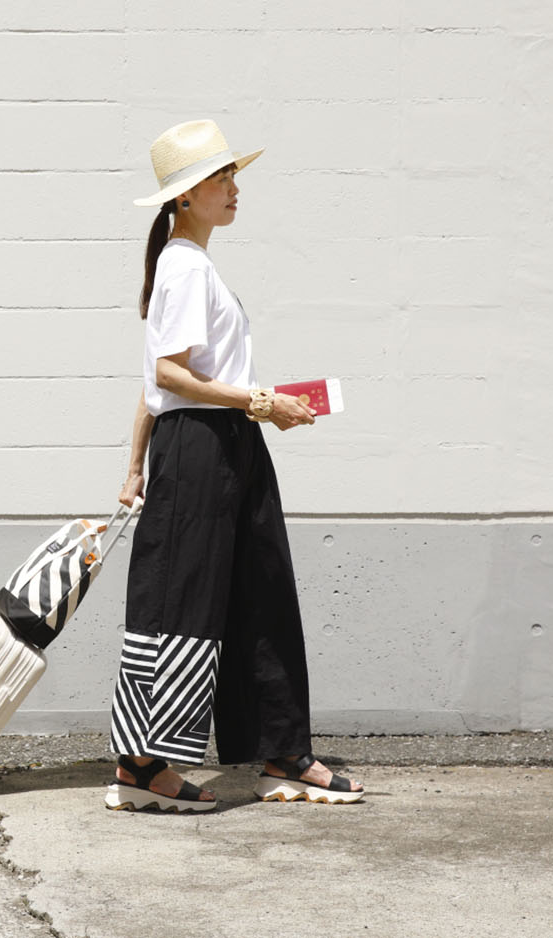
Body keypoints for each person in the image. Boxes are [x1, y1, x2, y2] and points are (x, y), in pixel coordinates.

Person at [104, 120, 364, 811]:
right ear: (185, 197)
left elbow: (155, 382)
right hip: (202, 445)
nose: (233, 187)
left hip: (224, 442)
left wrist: (135, 466)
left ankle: (282, 751)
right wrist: (260, 401)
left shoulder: (191, 265)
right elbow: (167, 376)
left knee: (260, 590)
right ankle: (141, 766)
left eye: (231, 174)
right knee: (179, 598)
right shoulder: (185, 267)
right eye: (219, 178)